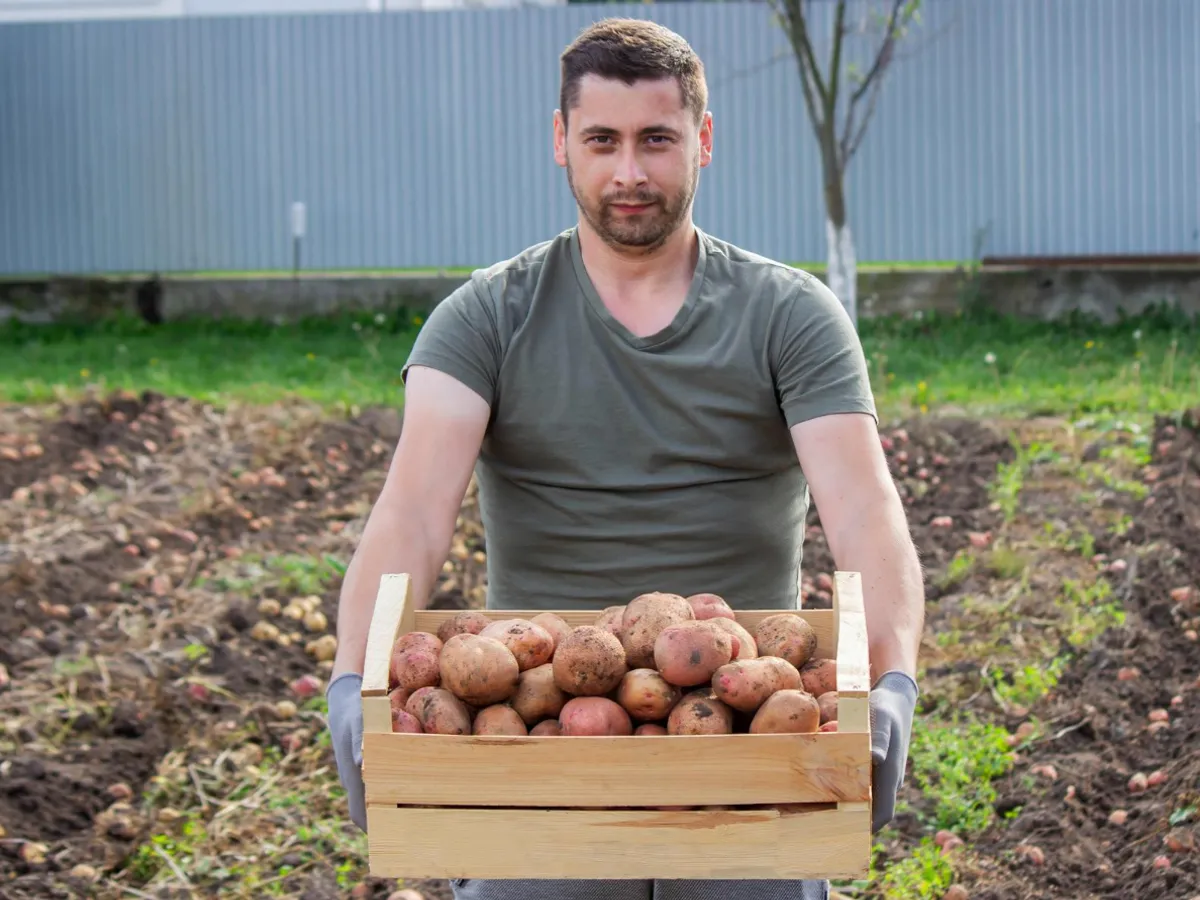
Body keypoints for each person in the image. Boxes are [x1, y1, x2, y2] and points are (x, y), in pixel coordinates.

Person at [326, 16, 923, 900]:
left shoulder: (789, 315)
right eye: (602, 140)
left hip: (751, 743)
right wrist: (352, 679)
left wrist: (891, 683)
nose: (630, 172)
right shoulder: (486, 317)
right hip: (534, 742)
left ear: (703, 142)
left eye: (657, 140)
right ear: (561, 141)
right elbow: (412, 511)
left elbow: (867, 512)